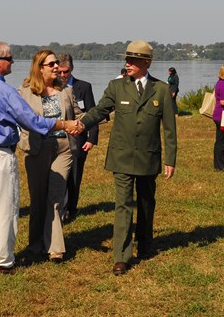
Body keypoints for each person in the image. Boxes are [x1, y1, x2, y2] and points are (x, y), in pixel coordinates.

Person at [0, 41, 80, 278]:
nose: (13, 62)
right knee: (5, 209)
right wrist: (63, 123)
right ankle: (3, 261)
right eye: (10, 59)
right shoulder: (5, 91)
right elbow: (31, 121)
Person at [76, 40, 177, 276]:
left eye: (133, 60)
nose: (127, 63)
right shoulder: (116, 86)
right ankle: (121, 255)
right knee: (123, 205)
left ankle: (145, 244)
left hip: (148, 157)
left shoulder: (161, 90)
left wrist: (170, 159)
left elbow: (170, 129)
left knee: (145, 202)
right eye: (126, 59)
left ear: (146, 62)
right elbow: (100, 110)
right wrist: (81, 124)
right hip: (121, 157)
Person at [18, 50, 82, 262]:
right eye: (52, 64)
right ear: (40, 67)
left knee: (55, 197)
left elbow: (78, 115)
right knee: (38, 198)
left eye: (57, 63)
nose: (57, 67)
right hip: (37, 148)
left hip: (63, 147)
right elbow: (20, 119)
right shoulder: (25, 91)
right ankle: (36, 243)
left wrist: (82, 124)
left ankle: (55, 248)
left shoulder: (66, 90)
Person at [57, 53, 98, 222]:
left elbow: (93, 114)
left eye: (65, 72)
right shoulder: (53, 88)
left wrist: (91, 139)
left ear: (71, 69)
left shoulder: (84, 87)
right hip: (58, 139)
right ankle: (60, 207)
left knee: (74, 176)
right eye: (59, 72)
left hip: (78, 140)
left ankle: (71, 209)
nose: (62, 75)